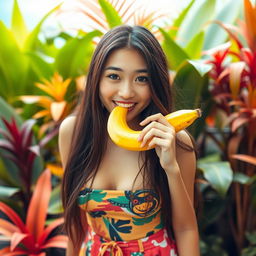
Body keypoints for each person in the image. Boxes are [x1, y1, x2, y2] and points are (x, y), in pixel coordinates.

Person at [59, 25, 200, 256]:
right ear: (96, 79)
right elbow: (75, 224)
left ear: (155, 83)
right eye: (114, 76)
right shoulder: (73, 133)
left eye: (141, 79)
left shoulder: (174, 140)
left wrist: (170, 166)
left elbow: (185, 230)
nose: (126, 92)